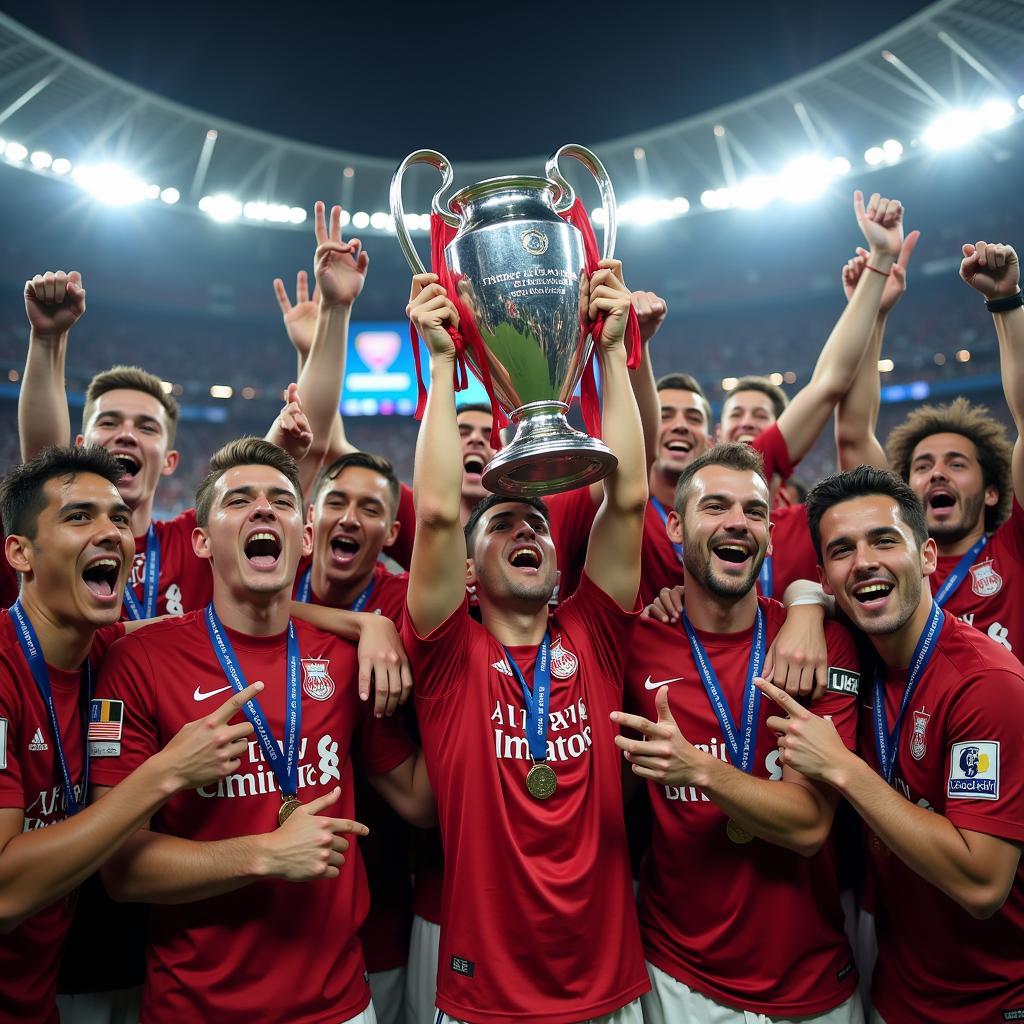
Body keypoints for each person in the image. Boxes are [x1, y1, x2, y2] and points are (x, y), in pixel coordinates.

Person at [89, 438, 435, 1024]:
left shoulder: (347, 660)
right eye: (238, 500)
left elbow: (420, 801)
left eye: (281, 498)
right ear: (201, 540)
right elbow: (120, 871)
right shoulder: (140, 661)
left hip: (340, 1006)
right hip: (195, 1008)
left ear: (304, 537)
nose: (263, 509)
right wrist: (264, 854)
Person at [402, 257, 649, 1023]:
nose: (524, 528)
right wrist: (442, 367)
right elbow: (441, 513)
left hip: (607, 984)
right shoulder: (448, 656)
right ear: (467, 577)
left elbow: (630, 496)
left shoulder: (595, 633)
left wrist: (611, 350)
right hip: (486, 997)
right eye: (503, 524)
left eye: (536, 522)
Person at [0, 446, 261, 1024]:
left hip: (37, 999)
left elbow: (221, 617)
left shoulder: (102, 648)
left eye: (119, 518)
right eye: (78, 516)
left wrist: (362, 624)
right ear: (20, 552)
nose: (111, 532)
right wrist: (166, 772)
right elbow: (4, 895)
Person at [760, 466, 1024, 1024]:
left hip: (993, 999)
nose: (865, 562)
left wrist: (843, 768)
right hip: (896, 986)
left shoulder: (986, 684)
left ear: (928, 556)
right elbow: (803, 587)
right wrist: (805, 606)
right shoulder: (855, 644)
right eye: (842, 550)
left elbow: (982, 885)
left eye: (884, 540)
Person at [612, 443, 863, 1023]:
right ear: (674, 526)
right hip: (679, 979)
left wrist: (698, 767)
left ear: (771, 536)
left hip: (813, 981)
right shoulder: (636, 643)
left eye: (754, 512)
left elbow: (808, 825)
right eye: (715, 507)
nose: (737, 523)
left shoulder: (817, 646)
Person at [882, 242, 1023, 658]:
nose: (937, 473)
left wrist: (1005, 302)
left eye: (956, 463)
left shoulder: (1014, 548)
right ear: (905, 492)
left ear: (993, 490)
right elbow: (852, 436)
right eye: (923, 466)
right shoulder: (887, 569)